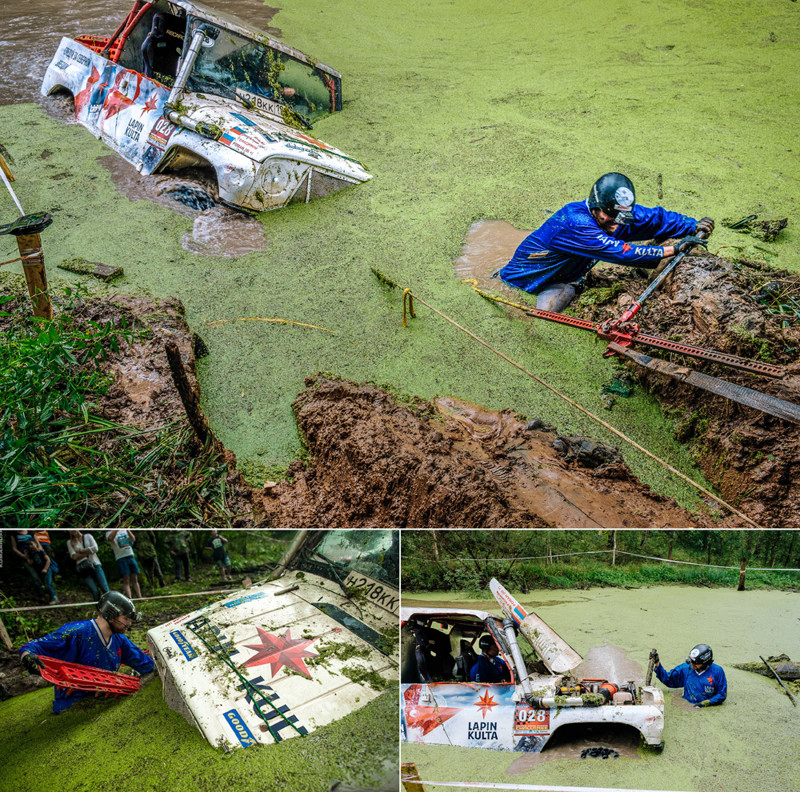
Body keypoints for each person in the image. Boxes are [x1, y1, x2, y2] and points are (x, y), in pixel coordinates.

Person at [496, 172, 715, 313]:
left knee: (566, 292)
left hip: (566, 279)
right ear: (596, 207)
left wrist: (693, 225)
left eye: (622, 217)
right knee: (544, 318)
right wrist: (672, 249)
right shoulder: (575, 223)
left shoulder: (616, 216)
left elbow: (657, 219)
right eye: (610, 217)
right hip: (522, 284)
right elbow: (621, 252)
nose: (617, 224)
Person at [19, 591, 154, 714]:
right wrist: (27, 656)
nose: (129, 623)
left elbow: (146, 663)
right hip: (71, 703)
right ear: (111, 615)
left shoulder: (121, 641)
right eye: (126, 618)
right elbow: (32, 647)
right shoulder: (76, 632)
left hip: (104, 698)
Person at [653, 644, 727, 707]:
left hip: (706, 709)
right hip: (687, 705)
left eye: (695, 664)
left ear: (706, 663)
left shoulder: (717, 671)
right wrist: (657, 664)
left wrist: (707, 703)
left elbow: (721, 694)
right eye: (691, 662)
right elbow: (667, 679)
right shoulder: (686, 668)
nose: (692, 665)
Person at [67, 530, 110, 601]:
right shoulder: (69, 542)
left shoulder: (88, 536)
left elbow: (96, 548)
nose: (71, 531)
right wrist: (89, 551)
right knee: (94, 591)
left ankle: (111, 607)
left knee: (105, 589)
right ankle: (100, 610)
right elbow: (74, 556)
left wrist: (80, 551)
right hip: (83, 568)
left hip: (95, 564)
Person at [106, 529, 142, 599]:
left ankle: (140, 597)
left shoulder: (124, 530)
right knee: (126, 579)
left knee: (134, 578)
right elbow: (110, 538)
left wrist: (128, 530)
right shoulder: (108, 532)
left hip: (130, 555)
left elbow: (133, 539)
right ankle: (130, 598)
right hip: (121, 558)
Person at [25, 537, 59, 605]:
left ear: (36, 544)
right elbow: (30, 563)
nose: (30, 546)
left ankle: (54, 598)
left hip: (47, 570)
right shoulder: (32, 554)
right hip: (40, 571)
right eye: (28, 545)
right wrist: (26, 555)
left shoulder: (41, 551)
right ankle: (52, 597)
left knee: (48, 584)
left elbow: (48, 560)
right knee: (47, 584)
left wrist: (45, 569)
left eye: (31, 544)